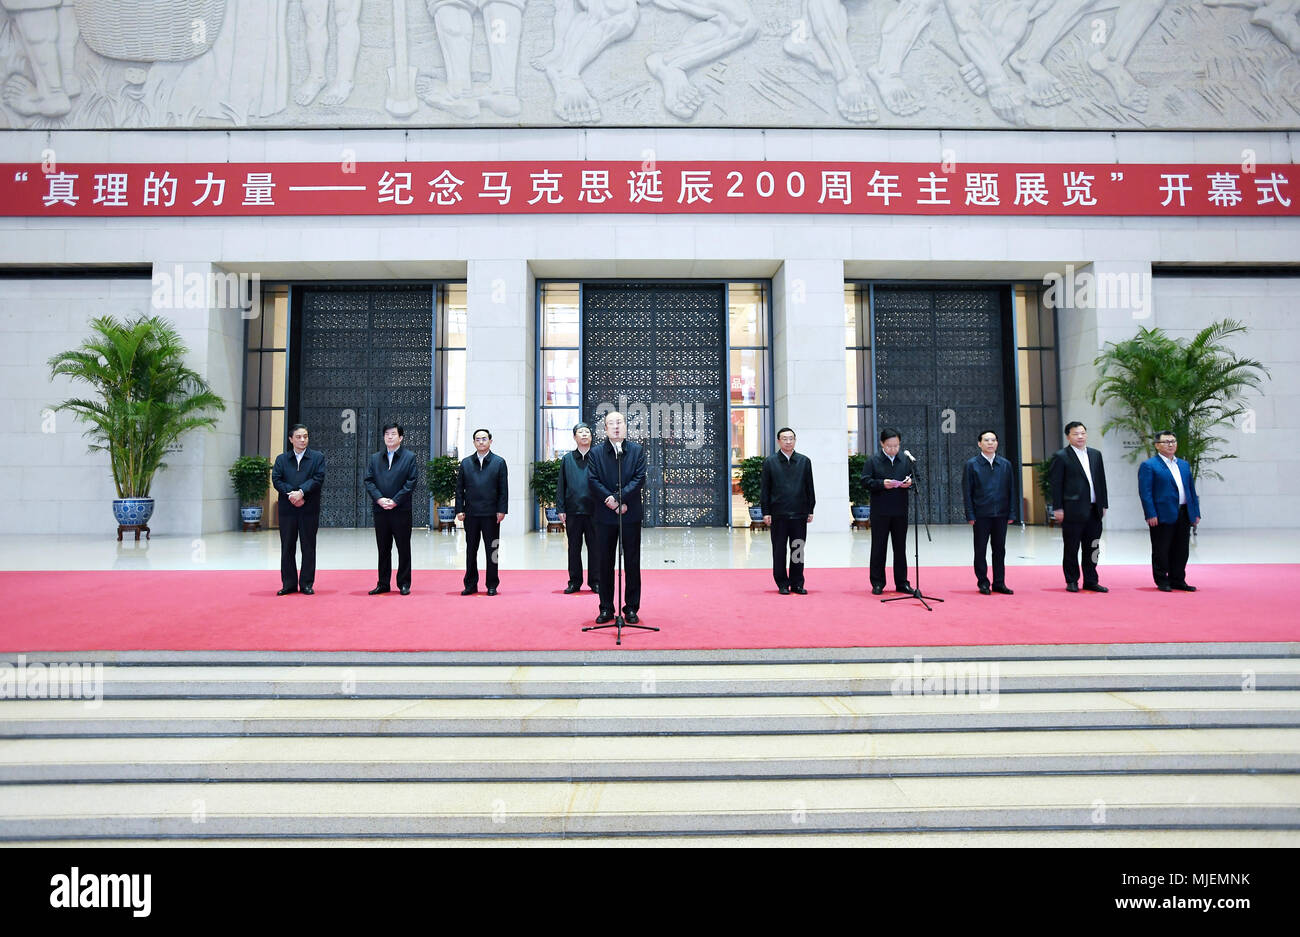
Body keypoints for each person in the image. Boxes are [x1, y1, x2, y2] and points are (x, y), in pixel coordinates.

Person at [587, 411, 647, 624]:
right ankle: (606, 608)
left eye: (619, 422)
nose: (615, 426)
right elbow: (593, 480)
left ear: (625, 426)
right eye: (611, 423)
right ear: (605, 429)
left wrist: (620, 499)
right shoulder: (595, 453)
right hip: (604, 515)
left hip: (630, 513)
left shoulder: (637, 451)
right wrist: (610, 501)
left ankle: (631, 607)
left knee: (631, 562)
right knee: (604, 562)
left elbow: (639, 478)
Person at [1048, 421, 1109, 593]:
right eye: (1076, 434)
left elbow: (1101, 481)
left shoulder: (1096, 455)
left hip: (1094, 510)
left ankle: (1091, 580)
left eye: (1082, 433)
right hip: (1072, 510)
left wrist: (1103, 504)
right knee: (1071, 547)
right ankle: (1072, 580)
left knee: (1094, 547)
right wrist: (1058, 508)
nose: (1080, 436)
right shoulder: (1061, 456)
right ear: (1068, 436)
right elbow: (1056, 484)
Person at [1138, 431, 1201, 593]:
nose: (1171, 444)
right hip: (1161, 514)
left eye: (1173, 441)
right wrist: (1150, 513)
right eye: (1166, 442)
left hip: (1184, 512)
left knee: (1182, 549)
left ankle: (1178, 579)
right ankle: (1162, 580)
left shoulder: (1184, 465)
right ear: (1157, 445)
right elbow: (1145, 493)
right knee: (1161, 549)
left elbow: (1191, 491)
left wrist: (1195, 512)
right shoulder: (1149, 465)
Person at [363, 422, 419, 595]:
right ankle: (383, 583)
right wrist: (379, 499)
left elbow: (411, 482)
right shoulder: (375, 458)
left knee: (403, 548)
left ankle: (404, 583)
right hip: (381, 510)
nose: (389, 436)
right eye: (387, 434)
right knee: (383, 548)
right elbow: (369, 480)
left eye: (393, 434)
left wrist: (395, 500)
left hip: (401, 510)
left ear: (400, 437)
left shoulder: (409, 457)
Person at [270, 423, 326, 596]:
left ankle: (307, 583)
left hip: (309, 508)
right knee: (287, 546)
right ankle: (288, 584)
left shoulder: (317, 457)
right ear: (291, 439)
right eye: (299, 437)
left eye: (305, 436)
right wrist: (292, 495)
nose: (303, 440)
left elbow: (318, 478)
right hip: (288, 509)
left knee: (308, 546)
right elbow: (277, 479)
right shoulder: (281, 459)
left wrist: (301, 492)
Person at [760, 427, 816, 595]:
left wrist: (810, 509)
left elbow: (809, 487)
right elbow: (765, 489)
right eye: (784, 438)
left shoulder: (804, 461)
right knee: (779, 550)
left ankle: (797, 583)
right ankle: (782, 583)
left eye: (791, 438)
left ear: (795, 440)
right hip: (778, 514)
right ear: (778, 441)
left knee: (797, 549)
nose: (788, 441)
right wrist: (766, 511)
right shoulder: (770, 462)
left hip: (799, 514)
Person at [962, 429, 1017, 595]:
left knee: (1000, 549)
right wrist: (970, 514)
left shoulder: (1005, 464)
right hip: (981, 515)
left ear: (997, 443)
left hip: (1001, 514)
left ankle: (999, 582)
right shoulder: (972, 465)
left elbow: (1011, 490)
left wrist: (1012, 513)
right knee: (980, 549)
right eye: (986, 440)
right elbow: (967, 492)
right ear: (979, 443)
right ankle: (983, 582)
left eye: (993, 440)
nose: (990, 443)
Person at [456, 428, 508, 596]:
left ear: (490, 441)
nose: (481, 442)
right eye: (477, 439)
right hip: (471, 514)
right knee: (471, 550)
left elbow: (503, 490)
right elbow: (459, 490)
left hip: (491, 515)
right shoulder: (465, 463)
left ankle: (492, 584)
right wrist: (459, 510)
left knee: (492, 551)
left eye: (484, 439)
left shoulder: (499, 462)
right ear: (473, 442)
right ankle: (470, 584)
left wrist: (502, 510)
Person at [863, 428, 913, 595]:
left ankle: (902, 582)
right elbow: (865, 481)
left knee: (900, 548)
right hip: (880, 511)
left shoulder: (905, 460)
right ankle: (877, 582)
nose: (893, 449)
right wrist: (881, 484)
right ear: (882, 444)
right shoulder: (873, 461)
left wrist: (910, 482)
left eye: (896, 445)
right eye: (889, 446)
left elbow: (917, 478)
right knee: (879, 548)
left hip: (900, 510)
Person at [556, 422, 599, 594]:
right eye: (580, 432)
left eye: (586, 432)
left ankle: (595, 581)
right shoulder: (567, 459)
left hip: (594, 511)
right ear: (574, 437)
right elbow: (561, 485)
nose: (583, 435)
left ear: (591, 436)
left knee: (595, 548)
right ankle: (574, 581)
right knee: (573, 548)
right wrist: (561, 509)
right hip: (573, 510)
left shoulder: (598, 457)